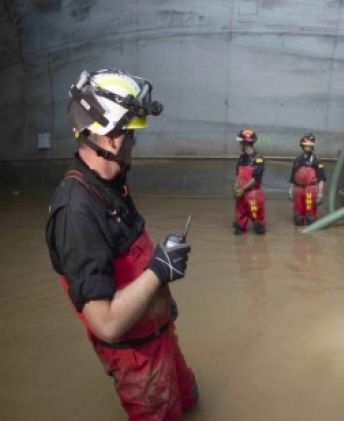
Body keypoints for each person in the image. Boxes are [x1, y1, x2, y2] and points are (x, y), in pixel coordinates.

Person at [45, 69, 198, 420]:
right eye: (131, 136)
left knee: (189, 399)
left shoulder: (110, 184)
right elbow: (107, 324)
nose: (133, 145)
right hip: (137, 358)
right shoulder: (76, 213)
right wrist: (161, 269)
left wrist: (162, 261)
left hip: (159, 337)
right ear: (112, 138)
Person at [233, 128, 266, 235]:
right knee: (239, 228)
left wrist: (242, 189)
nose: (240, 144)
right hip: (241, 195)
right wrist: (236, 187)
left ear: (245, 142)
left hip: (253, 194)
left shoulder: (258, 159)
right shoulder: (241, 158)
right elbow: (238, 174)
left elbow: (256, 179)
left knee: (258, 227)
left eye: (241, 142)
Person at [288, 133, 326, 226]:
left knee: (310, 217)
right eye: (306, 145)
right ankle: (299, 237)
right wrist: (290, 190)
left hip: (311, 189)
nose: (308, 147)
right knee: (297, 219)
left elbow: (321, 178)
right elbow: (292, 177)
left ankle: (310, 236)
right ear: (302, 145)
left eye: (310, 146)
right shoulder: (297, 160)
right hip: (298, 190)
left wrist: (320, 194)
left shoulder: (317, 160)